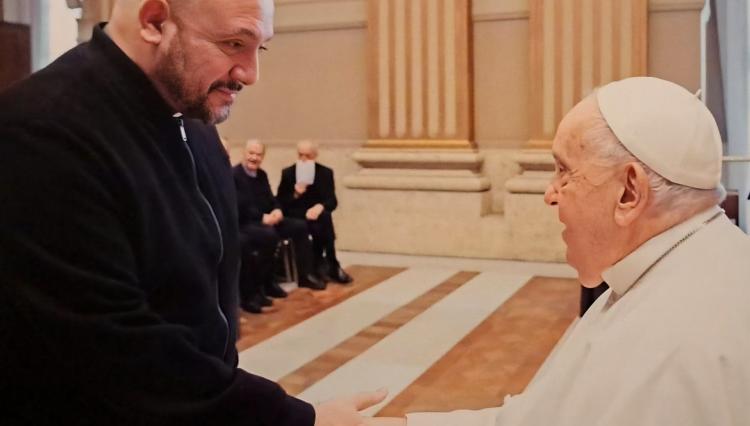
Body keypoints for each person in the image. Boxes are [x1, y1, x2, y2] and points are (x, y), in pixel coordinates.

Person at [0, 0, 384, 424]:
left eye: (261, 48)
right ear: (154, 21)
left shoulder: (197, 129)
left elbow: (203, 311)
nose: (251, 74)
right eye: (234, 43)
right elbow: (118, 353)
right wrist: (298, 421)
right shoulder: (41, 134)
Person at [368, 77, 750, 425]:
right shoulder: (681, 265)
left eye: (564, 172)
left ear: (629, 192)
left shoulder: (675, 345)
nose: (550, 194)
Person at [234, 139, 327, 313]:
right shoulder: (234, 175)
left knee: (299, 226)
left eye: (258, 154)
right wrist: (263, 218)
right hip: (248, 223)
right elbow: (239, 207)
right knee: (269, 237)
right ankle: (258, 287)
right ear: (244, 153)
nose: (254, 157)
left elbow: (271, 198)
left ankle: (304, 275)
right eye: (251, 153)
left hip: (268, 220)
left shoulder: (261, 175)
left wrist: (277, 210)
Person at [277, 140, 353, 284]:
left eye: (308, 156)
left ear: (315, 155)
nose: (304, 159)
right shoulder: (288, 173)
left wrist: (320, 206)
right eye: (301, 155)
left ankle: (325, 263)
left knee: (324, 217)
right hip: (296, 214)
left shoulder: (325, 173)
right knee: (319, 224)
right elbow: (280, 202)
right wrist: (295, 194)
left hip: (317, 215)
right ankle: (328, 264)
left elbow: (332, 201)